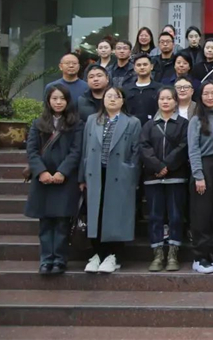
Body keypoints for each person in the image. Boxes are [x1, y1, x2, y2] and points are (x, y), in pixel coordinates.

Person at [79, 86, 142, 274]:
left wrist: (131, 175)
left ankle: (113, 254)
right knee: (96, 213)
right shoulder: (92, 120)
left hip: (119, 175)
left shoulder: (132, 122)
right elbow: (85, 150)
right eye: (109, 96)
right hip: (96, 173)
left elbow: (136, 153)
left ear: (123, 101)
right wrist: (82, 176)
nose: (112, 99)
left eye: (117, 96)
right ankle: (97, 253)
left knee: (116, 215)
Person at [25, 84, 83, 275]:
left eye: (62, 99)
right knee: (45, 222)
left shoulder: (76, 124)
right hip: (43, 180)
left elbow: (76, 151)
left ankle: (59, 259)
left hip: (65, 180)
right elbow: (32, 150)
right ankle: (45, 259)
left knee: (62, 222)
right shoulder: (38, 123)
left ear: (68, 101)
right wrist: (41, 172)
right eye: (54, 98)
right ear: (48, 101)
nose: (58, 102)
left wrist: (62, 172)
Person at [140, 86, 189, 272]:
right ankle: (158, 254)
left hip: (176, 177)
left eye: (169, 98)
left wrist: (167, 165)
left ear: (176, 101)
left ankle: (173, 254)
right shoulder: (149, 125)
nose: (165, 101)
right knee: (155, 216)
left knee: (176, 216)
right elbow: (144, 147)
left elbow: (184, 146)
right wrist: (157, 166)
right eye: (162, 99)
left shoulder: (183, 124)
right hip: (153, 178)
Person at [188, 81, 213, 274]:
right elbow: (193, 149)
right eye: (206, 93)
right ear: (200, 97)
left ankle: (210, 253)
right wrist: (198, 175)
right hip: (204, 167)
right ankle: (199, 257)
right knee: (201, 214)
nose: (210, 97)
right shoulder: (196, 120)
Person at [125, 54, 163, 126]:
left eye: (145, 64)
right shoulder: (126, 89)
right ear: (134, 68)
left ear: (151, 67)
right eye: (139, 65)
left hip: (154, 127)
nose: (142, 67)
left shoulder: (160, 88)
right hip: (131, 127)